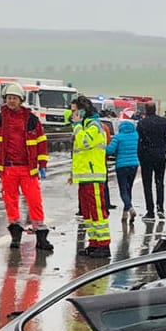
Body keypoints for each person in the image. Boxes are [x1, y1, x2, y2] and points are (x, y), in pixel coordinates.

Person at [0, 83, 49, 250]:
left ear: (21, 100)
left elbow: (41, 143)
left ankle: (41, 235)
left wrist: (42, 164)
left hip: (28, 169)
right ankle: (15, 234)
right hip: (8, 168)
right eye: (8, 98)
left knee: (34, 201)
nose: (11, 101)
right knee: (10, 202)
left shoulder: (32, 120)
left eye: (14, 98)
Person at [68, 96, 109, 257]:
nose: (73, 115)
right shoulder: (84, 125)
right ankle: (94, 243)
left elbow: (85, 143)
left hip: (94, 176)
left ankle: (104, 245)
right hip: (85, 177)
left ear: (83, 110)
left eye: (75, 111)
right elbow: (80, 155)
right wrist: (74, 174)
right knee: (88, 213)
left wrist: (77, 127)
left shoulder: (94, 126)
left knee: (97, 212)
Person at [133, 101, 166, 221]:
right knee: (159, 182)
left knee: (147, 184)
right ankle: (160, 208)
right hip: (160, 156)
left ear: (146, 110)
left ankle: (150, 211)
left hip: (146, 156)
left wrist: (140, 153)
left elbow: (138, 140)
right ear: (155, 109)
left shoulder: (142, 123)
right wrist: (165, 145)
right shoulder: (163, 121)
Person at [104, 118, 139, 227]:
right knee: (129, 190)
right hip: (134, 165)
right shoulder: (136, 136)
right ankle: (125, 214)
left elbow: (109, 150)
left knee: (123, 190)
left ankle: (130, 208)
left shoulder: (118, 137)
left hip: (122, 166)